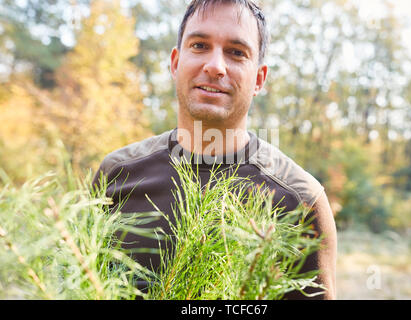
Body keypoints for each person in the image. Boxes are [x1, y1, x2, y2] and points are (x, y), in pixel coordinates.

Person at [93, 0, 337, 299]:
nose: (215, 66)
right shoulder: (117, 173)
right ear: (175, 62)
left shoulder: (299, 200)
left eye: (236, 52)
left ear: (259, 79)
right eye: (199, 45)